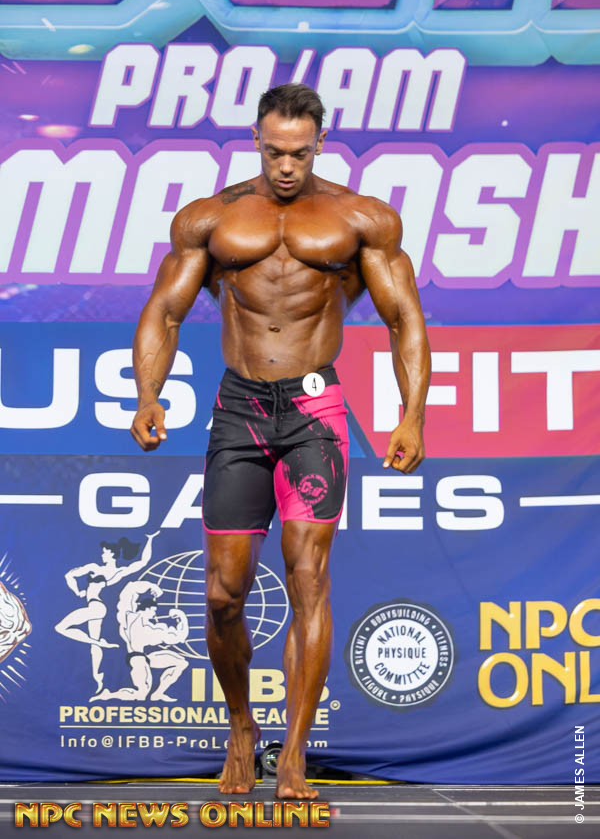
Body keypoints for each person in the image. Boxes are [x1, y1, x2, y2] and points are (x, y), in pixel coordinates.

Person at [130, 83, 431, 798]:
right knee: (222, 593)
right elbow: (164, 311)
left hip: (313, 412)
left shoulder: (361, 218)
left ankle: (293, 754)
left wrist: (412, 414)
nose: (287, 166)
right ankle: (242, 729)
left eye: (298, 152)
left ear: (320, 142)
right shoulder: (211, 218)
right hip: (239, 410)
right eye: (274, 152)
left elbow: (405, 319)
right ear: (255, 141)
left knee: (308, 579)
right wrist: (148, 393)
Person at [54, 532, 159, 695]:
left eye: (104, 552)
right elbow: (69, 575)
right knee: (94, 647)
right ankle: (98, 679)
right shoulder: (98, 569)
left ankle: (102, 646)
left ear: (112, 554)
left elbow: (142, 562)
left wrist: (150, 540)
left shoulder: (109, 570)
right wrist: (77, 591)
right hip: (96, 607)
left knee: (60, 627)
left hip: (96, 607)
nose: (102, 555)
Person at [91, 580, 189, 703]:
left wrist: (182, 618)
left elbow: (178, 637)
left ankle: (158, 693)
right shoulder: (129, 618)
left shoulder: (150, 628)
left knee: (181, 663)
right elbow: (129, 591)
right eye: (153, 611)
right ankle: (108, 695)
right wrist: (151, 586)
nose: (154, 615)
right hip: (137, 659)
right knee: (141, 694)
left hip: (146, 657)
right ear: (146, 608)